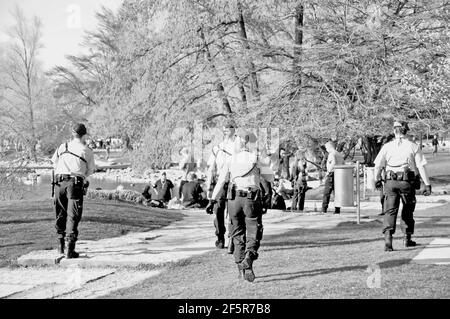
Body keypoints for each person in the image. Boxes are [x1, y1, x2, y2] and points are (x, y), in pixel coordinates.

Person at [206, 128, 273, 283]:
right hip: (251, 199)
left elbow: (221, 181)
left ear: (239, 141)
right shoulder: (255, 157)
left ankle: (240, 270)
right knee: (253, 230)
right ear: (249, 142)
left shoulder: (231, 159)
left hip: (234, 200)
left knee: (236, 233)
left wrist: (212, 200)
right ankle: (249, 257)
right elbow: (269, 177)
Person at [374, 121, 432, 252]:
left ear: (394, 131)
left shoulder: (387, 146)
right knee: (407, 209)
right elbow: (421, 166)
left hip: (390, 182)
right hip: (406, 182)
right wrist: (427, 184)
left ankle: (388, 237)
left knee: (390, 210)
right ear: (406, 131)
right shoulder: (413, 146)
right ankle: (407, 238)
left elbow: (378, 165)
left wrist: (376, 179)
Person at [51, 123, 96, 259]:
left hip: (59, 182)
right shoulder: (86, 150)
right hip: (75, 183)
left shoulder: (62, 147)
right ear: (84, 135)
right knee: (73, 215)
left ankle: (60, 246)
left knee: (60, 212)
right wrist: (82, 174)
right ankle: (70, 249)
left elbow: (54, 163)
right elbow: (90, 170)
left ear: (72, 133)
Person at [205, 120, 235, 250]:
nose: (226, 131)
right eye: (225, 129)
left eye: (229, 128)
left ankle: (233, 237)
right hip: (220, 182)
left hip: (234, 181)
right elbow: (211, 168)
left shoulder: (239, 147)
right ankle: (220, 237)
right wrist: (208, 187)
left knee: (234, 211)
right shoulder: (217, 148)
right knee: (218, 210)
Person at [321, 141, 344, 214]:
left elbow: (333, 163)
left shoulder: (332, 154)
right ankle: (337, 209)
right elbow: (343, 163)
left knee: (326, 193)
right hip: (339, 174)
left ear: (330, 147)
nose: (326, 149)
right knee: (337, 193)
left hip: (332, 174)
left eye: (327, 148)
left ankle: (324, 209)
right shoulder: (339, 154)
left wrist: (328, 172)